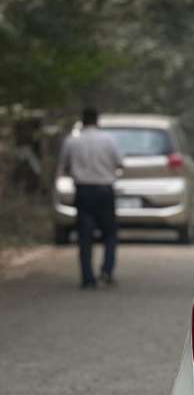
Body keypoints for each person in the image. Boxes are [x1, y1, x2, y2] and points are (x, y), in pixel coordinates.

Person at [57, 108, 123, 288]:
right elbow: (119, 163)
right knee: (109, 233)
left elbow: (64, 166)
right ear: (97, 121)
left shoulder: (72, 141)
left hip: (83, 191)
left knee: (84, 235)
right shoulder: (108, 140)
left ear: (82, 121)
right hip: (104, 190)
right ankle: (107, 270)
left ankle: (87, 277)